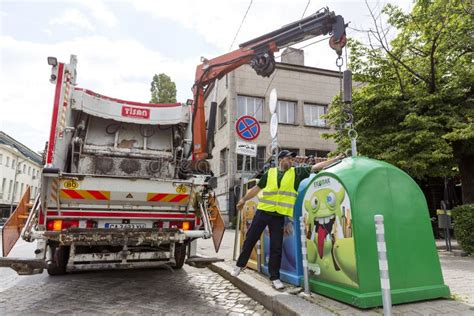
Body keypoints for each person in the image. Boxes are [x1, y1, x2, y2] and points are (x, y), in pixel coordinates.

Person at [232, 150, 345, 290]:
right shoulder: (270, 173)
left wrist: (335, 159)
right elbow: (256, 188)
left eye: (292, 160)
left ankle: (275, 278)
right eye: (288, 159)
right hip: (263, 211)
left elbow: (316, 167)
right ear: (281, 160)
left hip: (279, 216)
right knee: (250, 239)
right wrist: (243, 200)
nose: (291, 162)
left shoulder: (297, 172)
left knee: (276, 247)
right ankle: (239, 265)